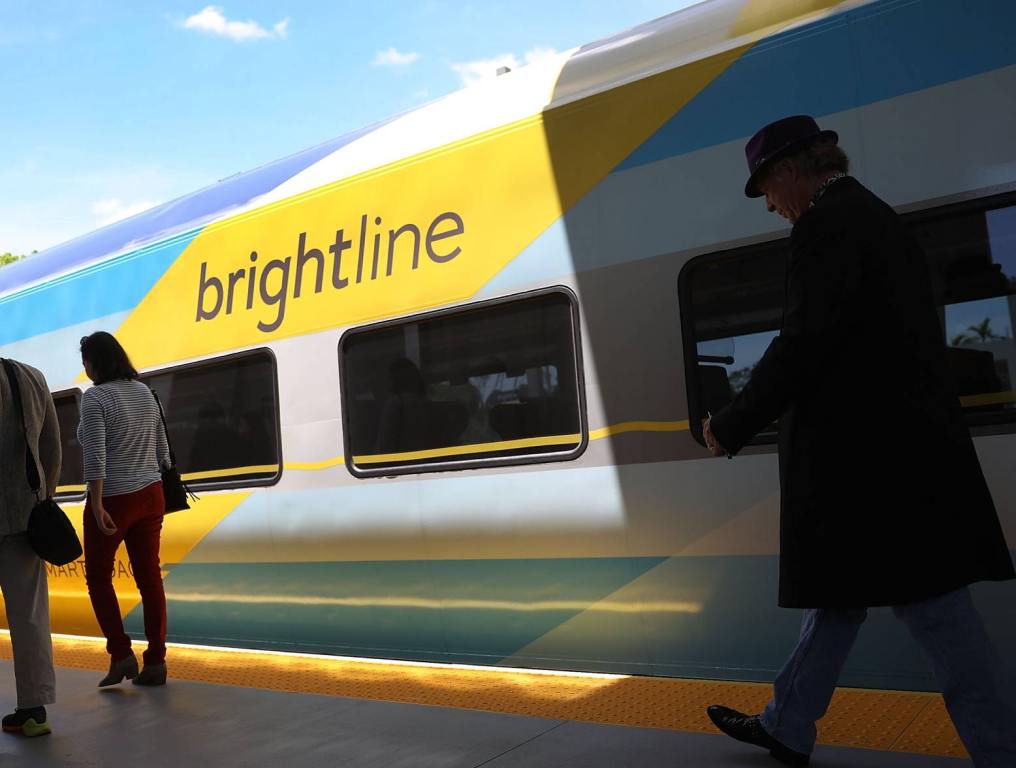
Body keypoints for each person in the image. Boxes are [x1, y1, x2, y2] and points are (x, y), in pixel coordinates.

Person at [702, 115, 1016, 767]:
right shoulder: (872, 217)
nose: (770, 205)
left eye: (766, 188)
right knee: (839, 600)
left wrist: (730, 422)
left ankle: (1000, 749)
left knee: (939, 615)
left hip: (885, 471)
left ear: (790, 170)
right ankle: (787, 724)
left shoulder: (829, 226)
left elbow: (802, 345)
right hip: (886, 461)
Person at [78, 332, 171, 687]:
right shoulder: (145, 392)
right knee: (149, 577)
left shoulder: (95, 397)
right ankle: (156, 662)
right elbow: (163, 449)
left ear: (95, 362)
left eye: (86, 361)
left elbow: (96, 455)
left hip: (115, 499)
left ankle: (120, 655)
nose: (84, 368)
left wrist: (97, 502)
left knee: (99, 578)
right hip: (152, 494)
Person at [0, 359, 61, 736]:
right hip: (25, 514)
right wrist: (44, 498)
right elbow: (51, 448)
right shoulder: (32, 377)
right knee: (30, 616)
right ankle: (34, 710)